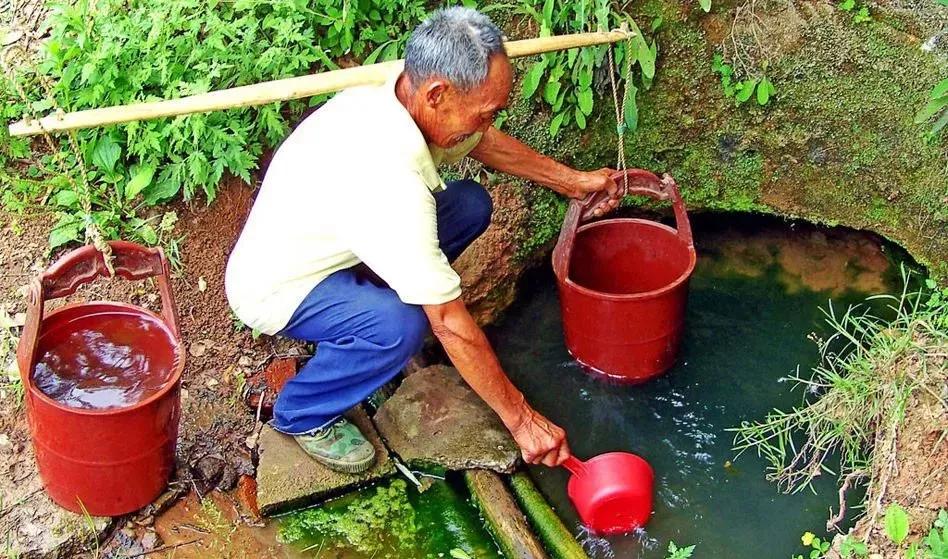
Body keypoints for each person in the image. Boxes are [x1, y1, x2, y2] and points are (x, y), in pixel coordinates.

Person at [225, 7, 619, 474]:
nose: (487, 122)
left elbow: (482, 141)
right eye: (486, 112)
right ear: (437, 94)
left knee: (470, 204)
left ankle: (365, 311)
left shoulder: (403, 86)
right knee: (403, 327)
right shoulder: (390, 184)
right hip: (277, 287)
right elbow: (449, 322)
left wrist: (571, 182)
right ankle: (303, 413)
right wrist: (522, 420)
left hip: (332, 240)